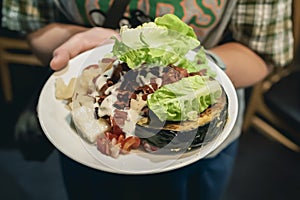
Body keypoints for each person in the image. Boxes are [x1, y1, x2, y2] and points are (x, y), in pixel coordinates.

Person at [2, 0, 294, 200]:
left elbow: (260, 53)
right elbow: (35, 27)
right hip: (85, 153)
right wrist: (86, 43)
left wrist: (195, 68)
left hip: (198, 154)